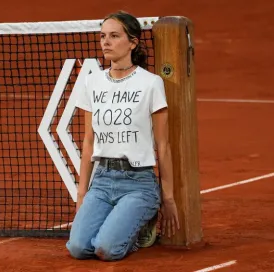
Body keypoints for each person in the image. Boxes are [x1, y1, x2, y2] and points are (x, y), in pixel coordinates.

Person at [66, 10, 180, 261]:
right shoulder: (92, 82)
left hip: (138, 183)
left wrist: (168, 198)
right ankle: (122, 223)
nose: (105, 42)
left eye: (114, 36)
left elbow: (163, 145)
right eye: (103, 36)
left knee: (106, 250)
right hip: (102, 181)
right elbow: (89, 141)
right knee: (77, 248)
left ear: (133, 42)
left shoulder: (151, 83)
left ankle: (140, 223)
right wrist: (82, 193)